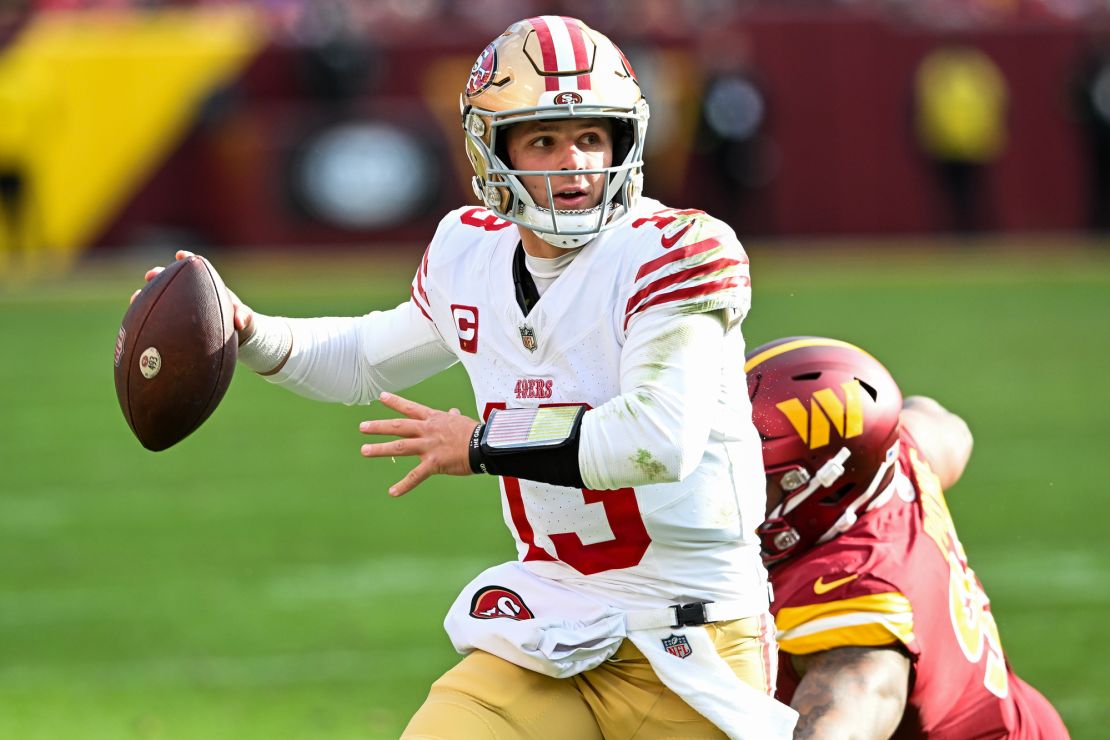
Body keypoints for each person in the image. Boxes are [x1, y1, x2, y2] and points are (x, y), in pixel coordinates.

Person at [137, 16, 796, 739]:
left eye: (590, 137)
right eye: (543, 139)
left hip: (693, 640)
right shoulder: (468, 251)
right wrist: (250, 331)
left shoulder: (677, 250)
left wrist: (482, 442)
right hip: (557, 623)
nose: (573, 163)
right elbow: (363, 356)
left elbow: (656, 439)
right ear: (493, 148)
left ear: (624, 141)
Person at [745, 336, 1070, 739]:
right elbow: (950, 430)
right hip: (1021, 715)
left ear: (823, 485)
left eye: (753, 475)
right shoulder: (890, 456)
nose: (725, 488)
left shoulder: (853, 599)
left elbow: (850, 705)